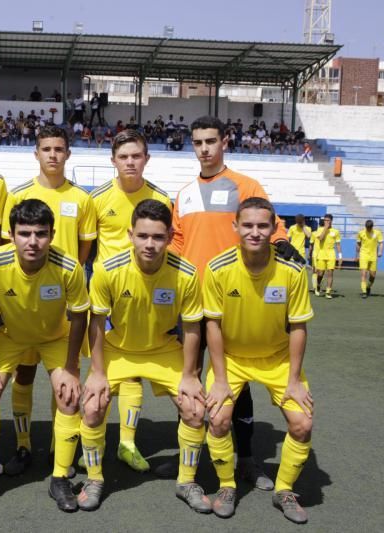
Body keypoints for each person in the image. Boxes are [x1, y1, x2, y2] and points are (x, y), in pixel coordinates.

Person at [168, 115, 301, 489]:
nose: (204, 149)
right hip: (193, 303)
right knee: (190, 382)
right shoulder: (184, 193)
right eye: (197, 143)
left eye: (211, 141)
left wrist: (280, 243)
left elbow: (271, 228)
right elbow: (177, 243)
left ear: (225, 141)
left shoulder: (247, 185)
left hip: (235, 302)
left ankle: (246, 460)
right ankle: (188, 461)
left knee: (236, 388)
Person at [79, 199, 207, 511]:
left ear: (169, 236)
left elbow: (192, 329)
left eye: (158, 237)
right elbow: (95, 323)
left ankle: (187, 481)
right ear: (130, 234)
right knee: (93, 406)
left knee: (194, 409)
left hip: (163, 350)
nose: (150, 244)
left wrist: (190, 376)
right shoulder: (107, 270)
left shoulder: (186, 274)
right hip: (118, 348)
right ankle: (94, 479)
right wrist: (96, 372)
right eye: (143, 236)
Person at [0, 199, 89, 510]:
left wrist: (72, 367)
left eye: (41, 233)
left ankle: (60, 477)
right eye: (25, 233)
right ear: (10, 234)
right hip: (11, 336)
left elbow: (79, 317)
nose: (33, 242)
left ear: (52, 234)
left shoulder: (69, 267)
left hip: (54, 338)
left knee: (68, 395)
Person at [203, 197, 314, 523]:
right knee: (219, 419)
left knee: (302, 424)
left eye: (262, 225)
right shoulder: (218, 267)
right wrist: (220, 379)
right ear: (235, 226)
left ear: (273, 227)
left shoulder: (292, 271)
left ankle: (284, 490)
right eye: (248, 225)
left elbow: (298, 326)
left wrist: (294, 380)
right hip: (233, 360)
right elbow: (213, 325)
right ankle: (226, 485)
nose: (255, 232)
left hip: (278, 360)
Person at [0, 125, 96, 476]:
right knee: (23, 376)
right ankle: (23, 447)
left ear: (68, 154)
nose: (53, 155)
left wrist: (65, 276)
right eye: (46, 149)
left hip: (65, 303)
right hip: (24, 306)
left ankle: (61, 449)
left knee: (65, 381)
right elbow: (8, 245)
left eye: (59, 149)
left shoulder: (82, 200)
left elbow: (83, 251)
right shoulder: (18, 194)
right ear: (36, 153)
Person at [89, 130, 171, 472]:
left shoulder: (161, 199)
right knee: (103, 374)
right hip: (109, 296)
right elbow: (88, 249)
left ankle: (126, 442)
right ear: (113, 161)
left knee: (134, 373)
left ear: (146, 159)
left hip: (146, 297)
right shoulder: (96, 199)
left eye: (136, 156)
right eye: (123, 157)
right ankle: (94, 442)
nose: (130, 162)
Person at [312, 214, 342, 298]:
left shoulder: (335, 231)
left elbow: (338, 244)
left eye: (328, 220)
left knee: (330, 273)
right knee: (320, 273)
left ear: (331, 221)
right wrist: (325, 228)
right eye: (325, 220)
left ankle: (328, 292)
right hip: (321, 253)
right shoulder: (320, 230)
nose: (326, 222)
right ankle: (317, 286)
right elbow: (320, 238)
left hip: (331, 254)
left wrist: (340, 256)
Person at [355, 219, 384, 298]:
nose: (368, 229)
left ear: (372, 227)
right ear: (365, 226)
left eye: (369, 228)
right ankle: (364, 292)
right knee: (364, 274)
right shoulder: (360, 233)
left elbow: (381, 243)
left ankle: (368, 287)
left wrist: (380, 252)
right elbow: (358, 244)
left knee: (372, 276)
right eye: (367, 228)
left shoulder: (377, 233)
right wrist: (357, 255)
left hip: (373, 256)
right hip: (363, 255)